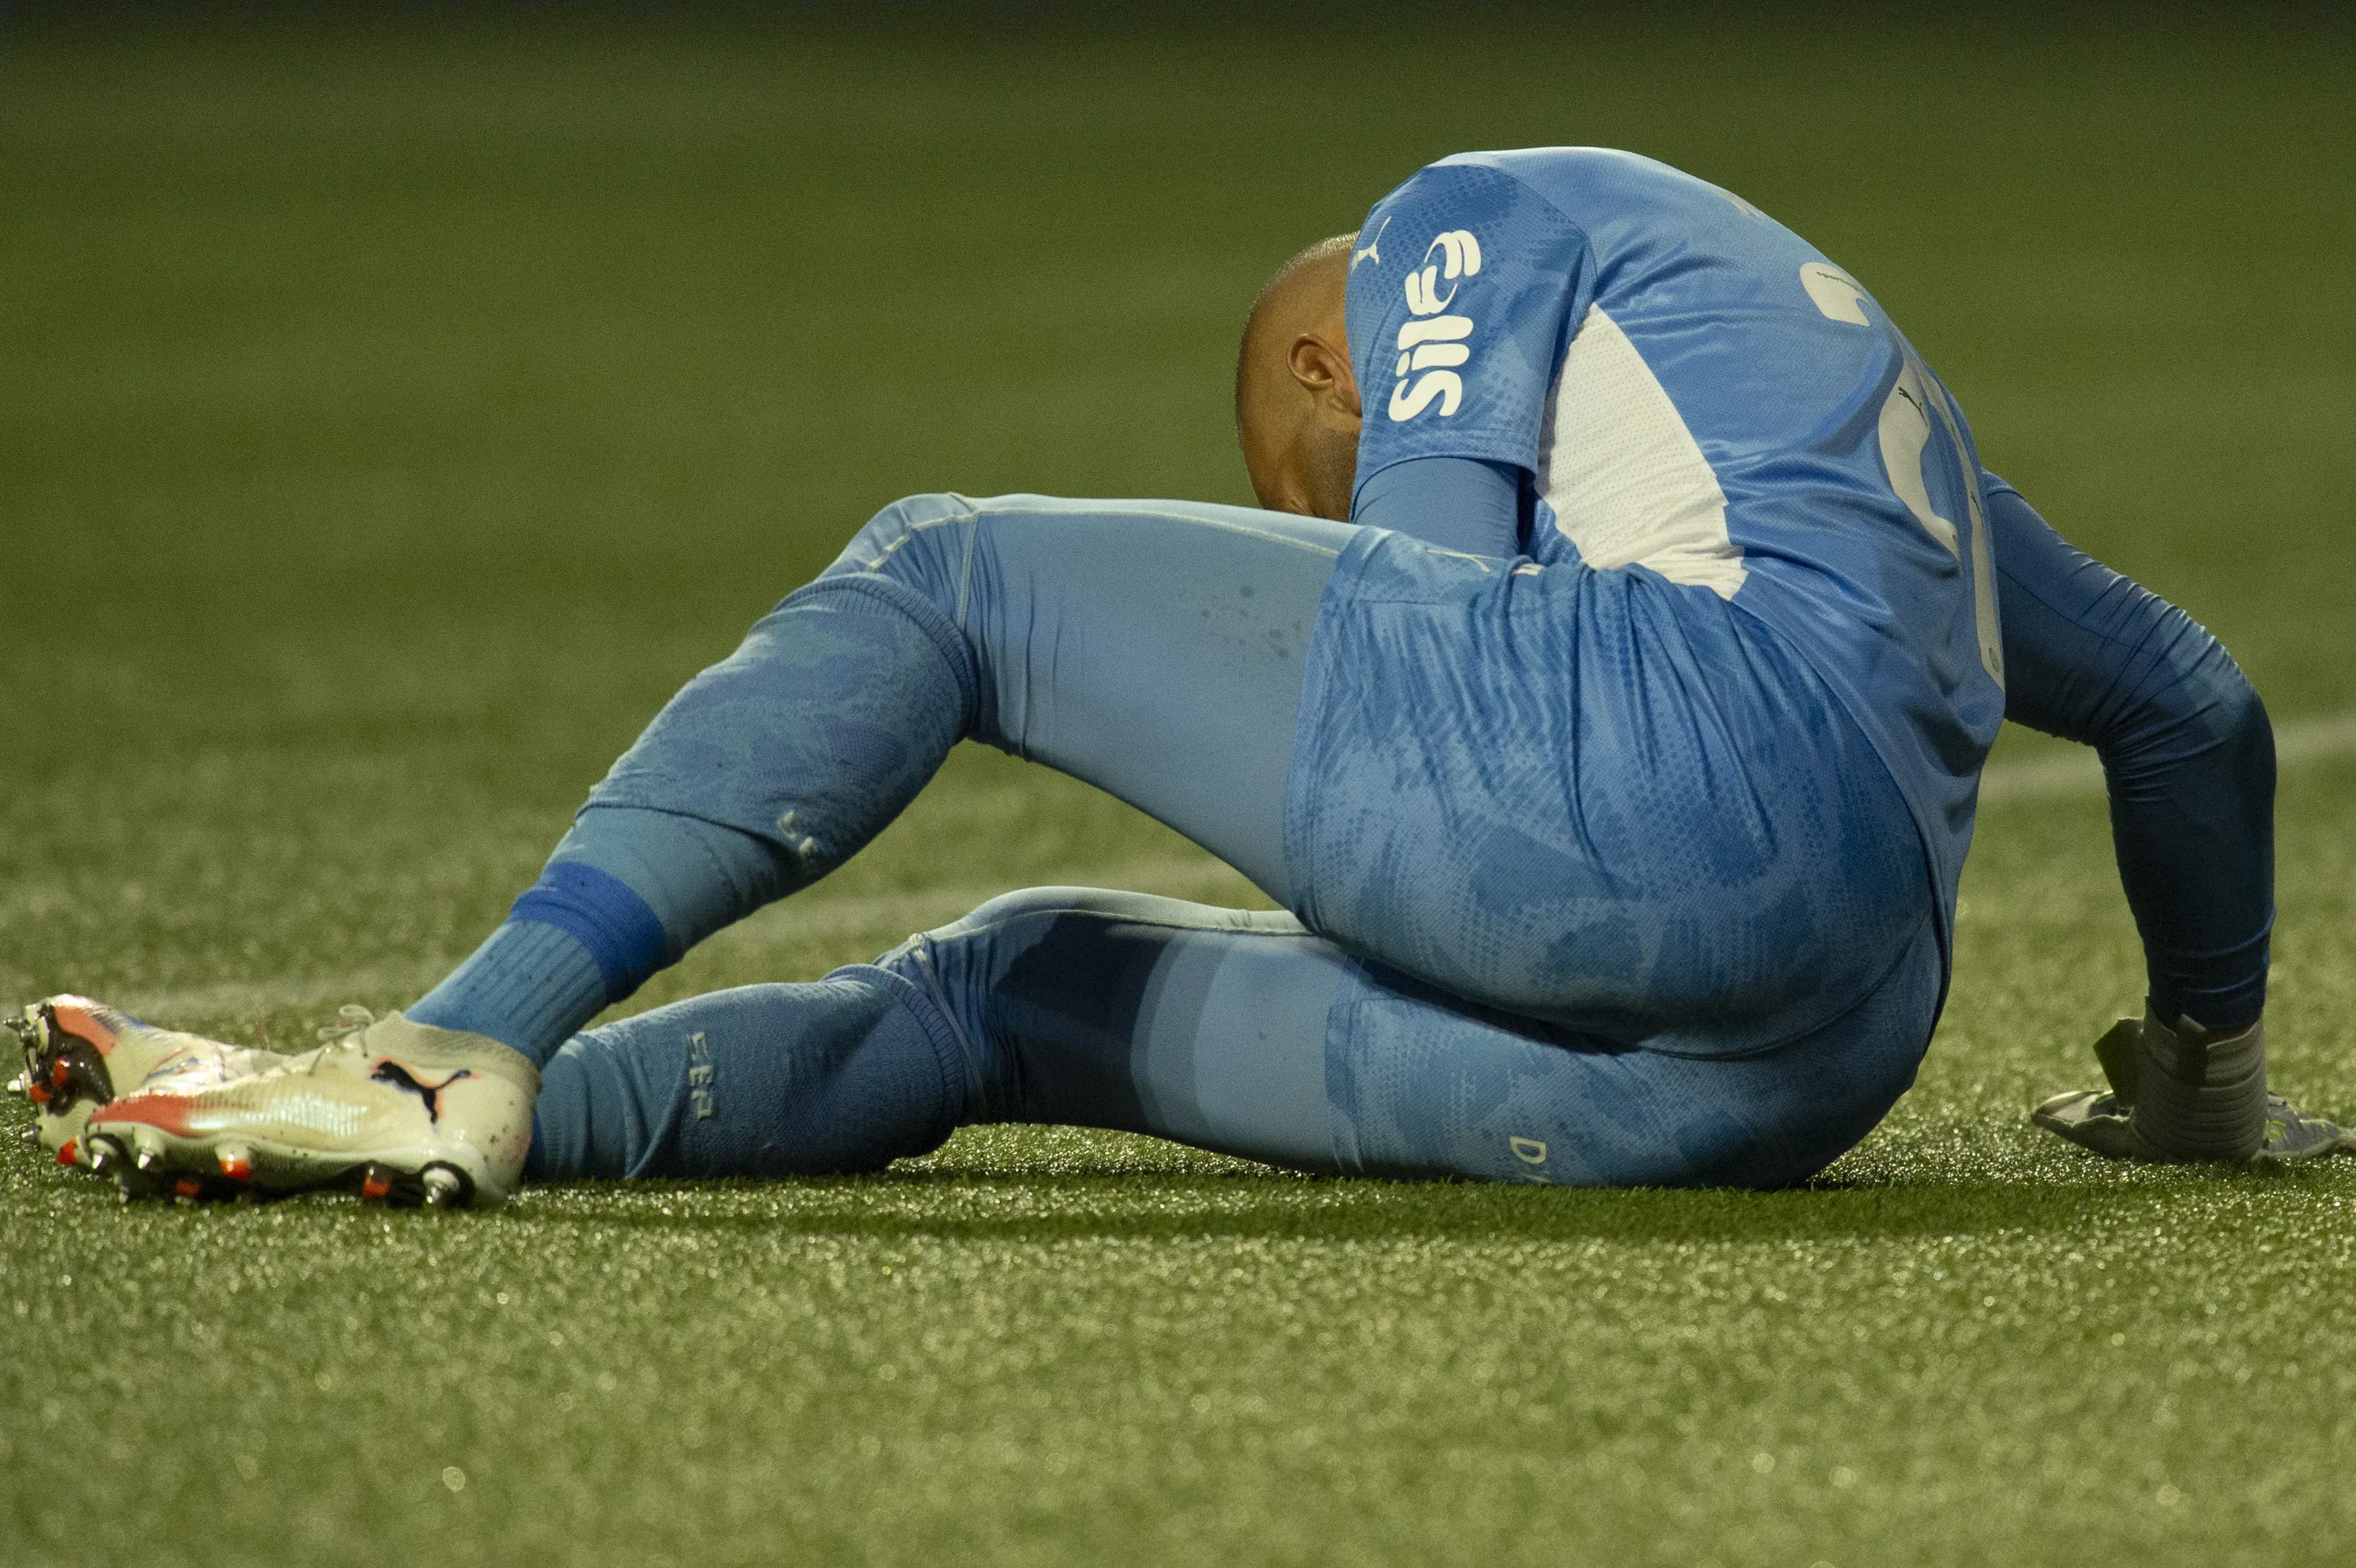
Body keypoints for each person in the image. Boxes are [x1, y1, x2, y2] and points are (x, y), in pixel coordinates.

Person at [14, 147, 2349, 1209]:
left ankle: (460, 1038)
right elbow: (2183, 705)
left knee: (951, 574)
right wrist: (2211, 1091)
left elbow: (1429, 595)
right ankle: (444, 1124)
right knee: (1013, 987)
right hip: (1793, 1066)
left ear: (1335, 355)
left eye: (1285, 483)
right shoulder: (1857, 437)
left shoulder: (1468, 218)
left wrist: (1404, 752)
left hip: (1646, 789)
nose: (1297, 541)